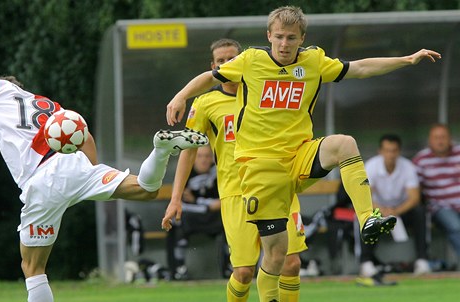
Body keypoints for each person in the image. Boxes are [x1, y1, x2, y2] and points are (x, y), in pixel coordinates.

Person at [164, 6, 441, 301]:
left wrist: (407, 59)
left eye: (291, 38)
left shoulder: (313, 61)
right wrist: (180, 96)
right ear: (269, 36)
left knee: (344, 144)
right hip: (260, 171)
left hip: (298, 158)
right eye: (279, 37)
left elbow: (359, 67)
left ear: (302, 38)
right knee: (269, 259)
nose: (284, 44)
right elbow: (208, 79)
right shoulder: (249, 63)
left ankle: (366, 219)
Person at [0, 54, 208, 302]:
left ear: (2, 84)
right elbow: (86, 137)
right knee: (145, 189)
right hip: (76, 166)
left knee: (33, 268)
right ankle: (160, 149)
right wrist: (88, 179)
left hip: (42, 179)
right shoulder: (49, 106)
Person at [162, 38, 307, 302]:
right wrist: (175, 198)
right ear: (213, 66)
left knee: (291, 263)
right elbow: (189, 149)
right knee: (242, 272)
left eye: (232, 59)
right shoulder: (206, 103)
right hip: (235, 193)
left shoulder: (263, 88)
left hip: (276, 186)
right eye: (221, 61)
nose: (227, 65)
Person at [357, 134, 429, 286]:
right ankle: (366, 263)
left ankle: (422, 261)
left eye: (394, 150)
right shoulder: (371, 166)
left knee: (419, 212)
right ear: (380, 151)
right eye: (387, 150)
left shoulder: (407, 167)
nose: (390, 154)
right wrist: (382, 210)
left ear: (399, 151)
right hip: (378, 209)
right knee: (367, 217)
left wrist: (396, 211)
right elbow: (365, 197)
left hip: (401, 210)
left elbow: (414, 197)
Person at [165, 145, 227, 280]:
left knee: (229, 221)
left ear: (212, 158)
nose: (204, 160)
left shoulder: (219, 173)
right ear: (193, 158)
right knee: (177, 222)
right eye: (200, 156)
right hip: (191, 216)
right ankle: (179, 269)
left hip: (214, 217)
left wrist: (198, 201)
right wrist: (206, 206)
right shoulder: (186, 173)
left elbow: (224, 201)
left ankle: (230, 267)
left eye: (207, 156)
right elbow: (182, 204)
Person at [413, 124, 460, 263]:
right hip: (440, 207)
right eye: (436, 138)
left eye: (443, 137)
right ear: (430, 140)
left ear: (450, 138)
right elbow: (413, 187)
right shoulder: (421, 160)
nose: (440, 141)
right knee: (456, 226)